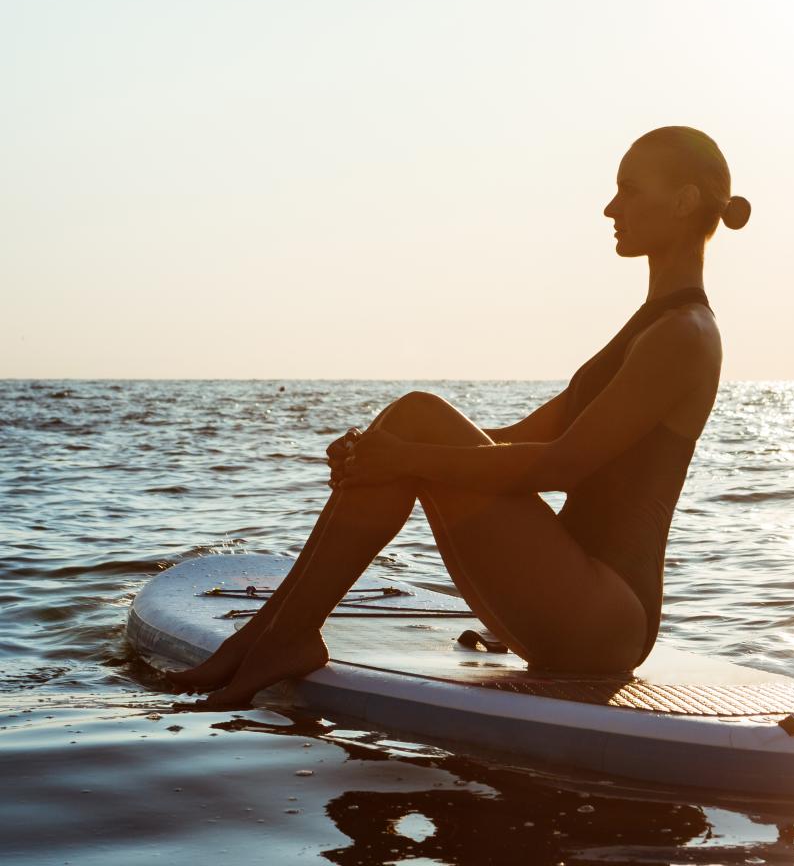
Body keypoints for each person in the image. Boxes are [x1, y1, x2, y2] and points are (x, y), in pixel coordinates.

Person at [164, 125, 751, 707]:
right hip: (570, 592)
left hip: (606, 616)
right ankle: (270, 634)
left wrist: (406, 455)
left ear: (682, 201)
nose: (610, 207)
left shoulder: (685, 334)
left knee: (417, 420)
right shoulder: (652, 325)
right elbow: (518, 440)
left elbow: (561, 465)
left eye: (628, 189)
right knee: (408, 422)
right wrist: (381, 451)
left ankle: (281, 636)